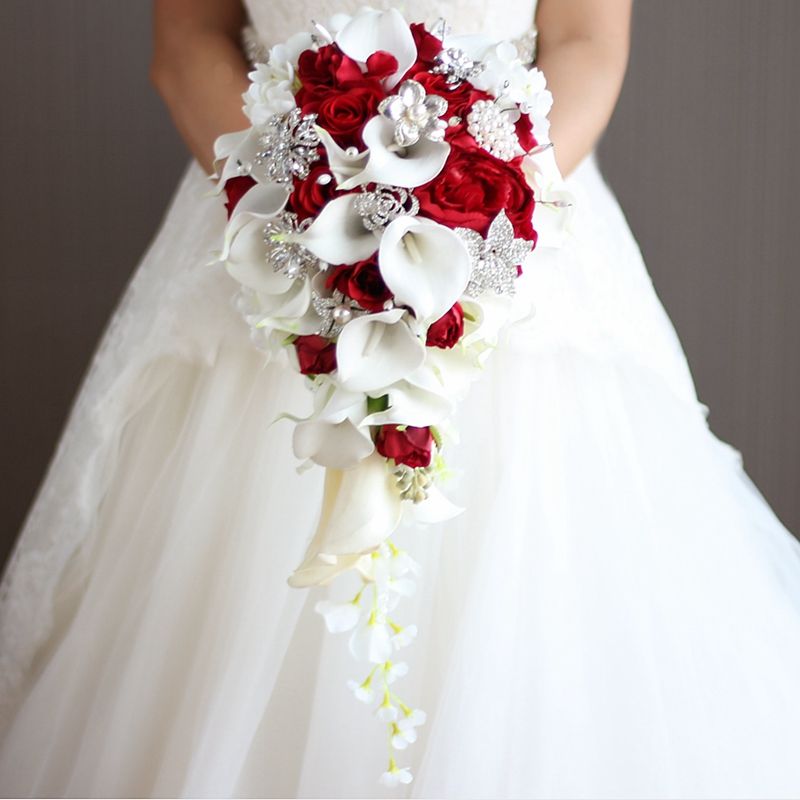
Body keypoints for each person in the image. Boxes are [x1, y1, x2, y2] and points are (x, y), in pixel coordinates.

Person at [1, 0, 800, 797]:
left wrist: (483, 206)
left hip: (517, 228)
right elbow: (185, 44)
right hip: (274, 227)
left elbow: (588, 39)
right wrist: (295, 198)